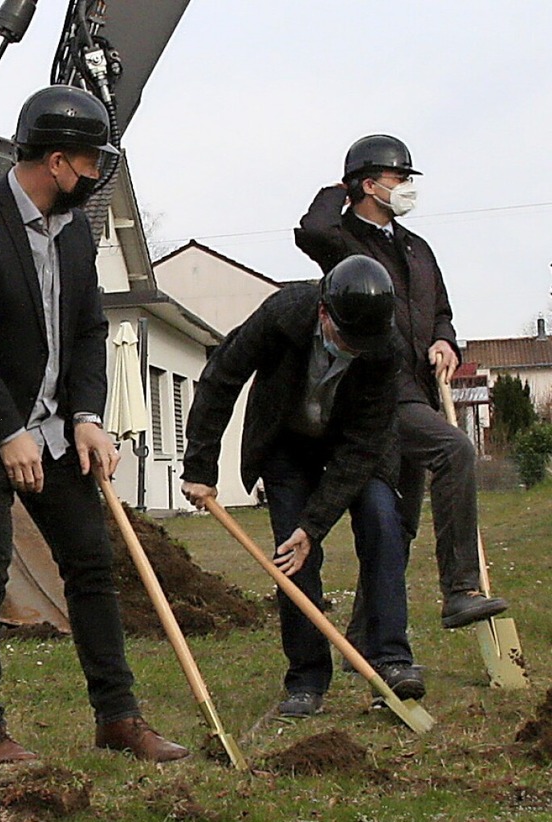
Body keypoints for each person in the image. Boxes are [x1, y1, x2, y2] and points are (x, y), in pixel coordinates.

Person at [0, 85, 189, 765]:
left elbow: (91, 330)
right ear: (59, 162)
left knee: (90, 565)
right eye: (92, 163)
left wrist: (90, 416)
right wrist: (7, 431)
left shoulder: (73, 237)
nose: (96, 177)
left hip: (56, 431)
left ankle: (117, 717)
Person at [181, 255, 425, 718]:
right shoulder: (283, 314)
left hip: (354, 450)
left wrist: (314, 526)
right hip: (287, 446)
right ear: (324, 313)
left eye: (362, 343)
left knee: (382, 525)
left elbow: (363, 447)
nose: (354, 349)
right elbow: (221, 379)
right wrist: (200, 466)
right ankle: (307, 680)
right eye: (346, 339)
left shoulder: (383, 347)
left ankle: (392, 660)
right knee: (292, 559)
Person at [294, 134, 508, 637]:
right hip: (377, 393)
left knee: (400, 523)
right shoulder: (343, 239)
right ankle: (460, 589)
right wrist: (341, 189)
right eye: (400, 178)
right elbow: (311, 228)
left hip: (419, 389)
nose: (408, 187)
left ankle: (364, 631)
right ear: (369, 184)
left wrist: (444, 341)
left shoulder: (417, 248)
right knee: (455, 450)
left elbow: (441, 312)